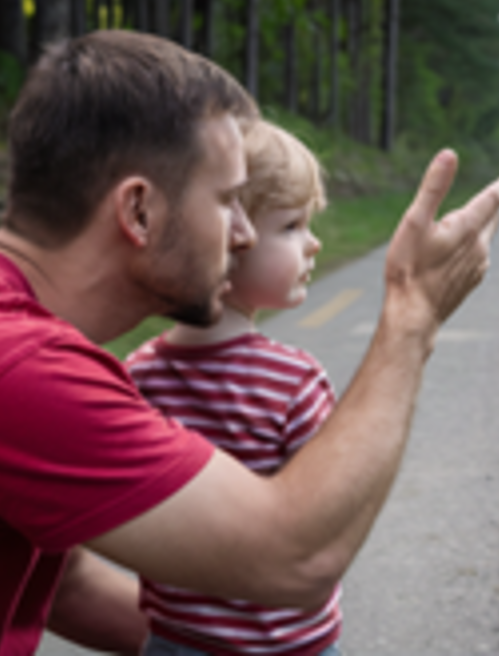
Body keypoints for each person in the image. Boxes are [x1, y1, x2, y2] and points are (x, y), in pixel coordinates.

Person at [0, 29, 499, 655]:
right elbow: (295, 557)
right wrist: (411, 315)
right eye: (228, 200)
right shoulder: (6, 365)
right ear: (138, 210)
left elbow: (63, 581)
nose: (246, 233)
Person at [127, 121, 342, 656]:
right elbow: (331, 511)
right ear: (231, 237)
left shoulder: (135, 377)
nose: (313, 242)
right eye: (291, 226)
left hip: (173, 641)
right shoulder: (295, 382)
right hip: (289, 645)